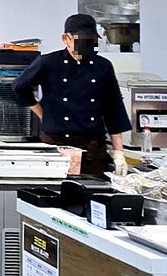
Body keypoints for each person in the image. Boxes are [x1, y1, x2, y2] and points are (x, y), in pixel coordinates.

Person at [11, 13, 131, 177]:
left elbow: (114, 109)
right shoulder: (48, 63)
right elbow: (19, 87)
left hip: (92, 148)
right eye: (82, 40)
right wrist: (42, 114)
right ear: (65, 38)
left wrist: (119, 153)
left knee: (94, 191)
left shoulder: (103, 66)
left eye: (91, 40)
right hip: (56, 146)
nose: (87, 45)